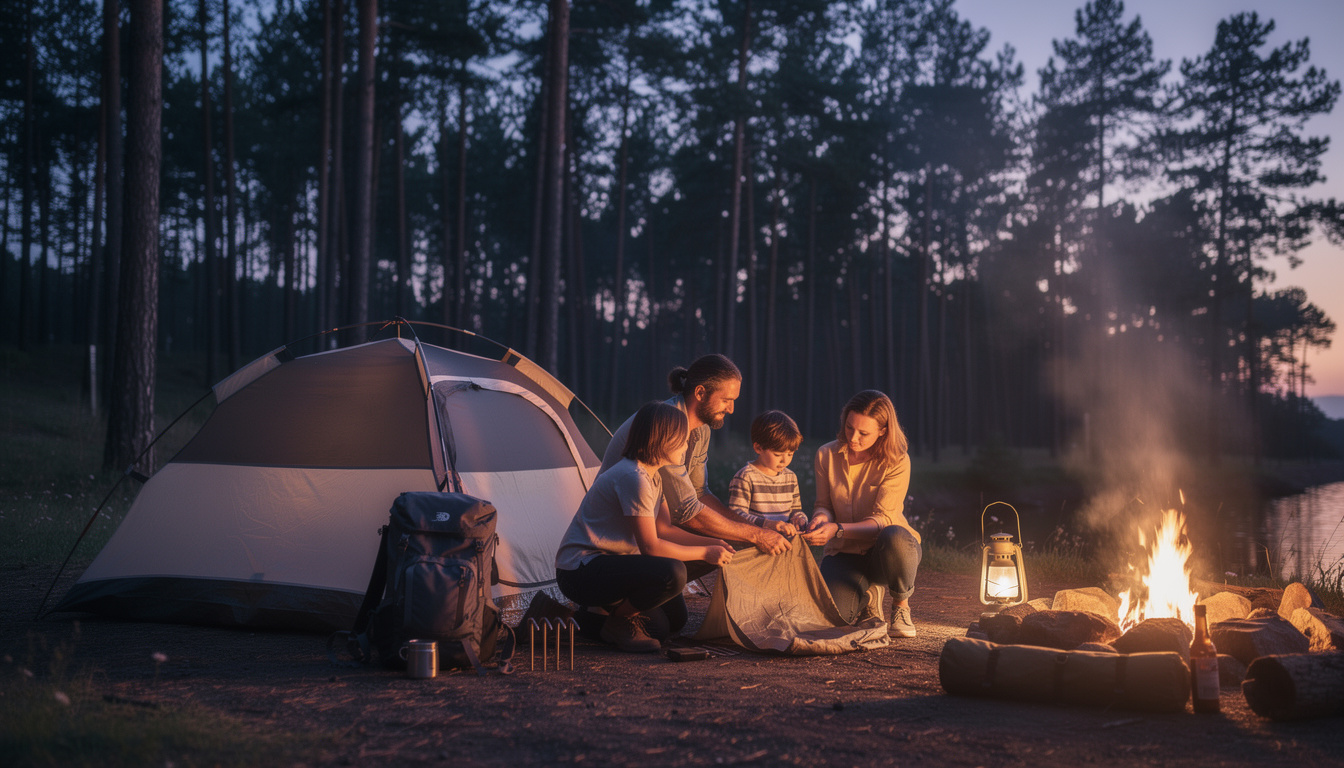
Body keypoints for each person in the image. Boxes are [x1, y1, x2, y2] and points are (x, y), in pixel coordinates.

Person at [556, 401, 735, 652]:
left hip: (613, 565)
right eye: (682, 440)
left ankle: (590, 619)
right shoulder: (633, 477)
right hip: (581, 570)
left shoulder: (653, 476)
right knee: (673, 574)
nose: (686, 446)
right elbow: (651, 547)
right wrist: (706, 553)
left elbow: (665, 530)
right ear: (662, 440)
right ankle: (617, 620)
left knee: (672, 622)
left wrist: (711, 543)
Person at [601, 354, 789, 556]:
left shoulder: (701, 428)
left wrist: (760, 527)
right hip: (618, 541)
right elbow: (686, 510)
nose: (732, 409)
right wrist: (755, 535)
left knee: (731, 544)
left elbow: (699, 493)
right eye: (726, 400)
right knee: (735, 543)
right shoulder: (666, 426)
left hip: (658, 528)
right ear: (700, 393)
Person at [800, 390, 922, 638]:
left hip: (886, 550)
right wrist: (820, 520)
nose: (853, 438)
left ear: (883, 431)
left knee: (895, 535)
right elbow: (823, 504)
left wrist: (838, 528)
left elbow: (883, 520)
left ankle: (900, 605)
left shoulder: (897, 460)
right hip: (844, 552)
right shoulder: (826, 454)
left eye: (863, 433)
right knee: (833, 620)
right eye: (849, 428)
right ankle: (867, 598)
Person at [727, 410, 808, 536]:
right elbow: (736, 514)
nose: (784, 460)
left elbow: (795, 510)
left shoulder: (790, 477)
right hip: (755, 541)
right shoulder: (746, 477)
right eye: (777, 454)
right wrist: (767, 524)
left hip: (784, 543)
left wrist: (800, 518)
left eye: (790, 454)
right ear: (758, 448)